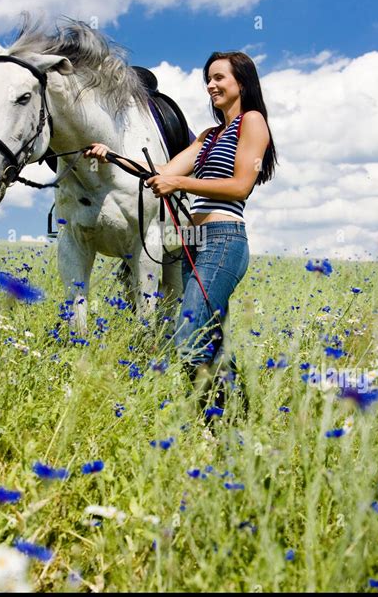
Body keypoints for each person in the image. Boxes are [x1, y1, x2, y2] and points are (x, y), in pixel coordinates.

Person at [84, 51, 277, 409]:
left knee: (189, 334)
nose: (211, 85)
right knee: (211, 337)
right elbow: (160, 168)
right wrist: (111, 155)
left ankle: (216, 416)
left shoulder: (252, 122)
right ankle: (233, 420)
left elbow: (240, 186)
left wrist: (178, 182)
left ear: (242, 81)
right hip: (194, 240)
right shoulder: (208, 136)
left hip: (223, 240)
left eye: (220, 77)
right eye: (208, 79)